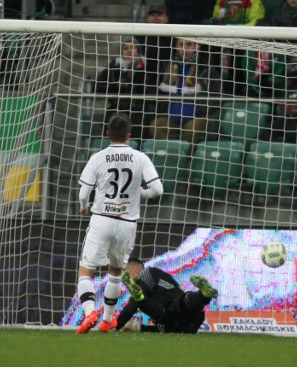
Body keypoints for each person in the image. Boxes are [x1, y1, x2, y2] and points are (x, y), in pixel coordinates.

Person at [75, 113, 163, 334]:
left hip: (102, 219)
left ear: (107, 134)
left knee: (86, 272)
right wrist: (140, 193)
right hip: (126, 223)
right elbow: (157, 190)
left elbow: (84, 192)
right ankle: (107, 320)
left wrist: (84, 206)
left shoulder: (98, 157)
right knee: (115, 272)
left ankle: (89, 314)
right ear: (129, 135)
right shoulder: (140, 157)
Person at [115, 258, 219, 333]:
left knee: (141, 300)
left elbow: (131, 307)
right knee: (183, 305)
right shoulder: (163, 277)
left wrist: (116, 326)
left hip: (170, 312)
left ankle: (203, 295)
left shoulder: (147, 272)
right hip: (190, 320)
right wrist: (138, 328)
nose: (124, 283)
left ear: (133, 270)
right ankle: (204, 295)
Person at [148, 37, 222, 144]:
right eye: (180, 44)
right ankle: (171, 154)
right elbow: (157, 93)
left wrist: (202, 111)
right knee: (155, 126)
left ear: (197, 46)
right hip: (171, 118)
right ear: (175, 46)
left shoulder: (207, 68)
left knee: (191, 129)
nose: (184, 49)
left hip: (196, 118)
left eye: (188, 45)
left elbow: (218, 97)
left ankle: (188, 158)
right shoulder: (166, 66)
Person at [95, 36, 148, 142]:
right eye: (125, 48)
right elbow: (98, 87)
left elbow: (151, 89)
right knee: (111, 119)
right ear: (121, 52)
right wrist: (115, 85)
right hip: (117, 107)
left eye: (132, 47)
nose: (129, 51)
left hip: (139, 108)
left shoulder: (146, 67)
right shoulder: (113, 66)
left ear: (138, 50)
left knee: (139, 121)